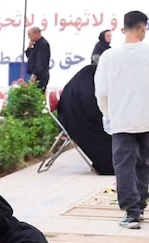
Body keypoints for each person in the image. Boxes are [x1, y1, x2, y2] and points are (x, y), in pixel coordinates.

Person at [95, 10, 149, 230]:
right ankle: (141, 205)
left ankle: (131, 213)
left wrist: (108, 114)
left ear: (123, 29)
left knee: (124, 167)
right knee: (144, 164)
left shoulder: (109, 57)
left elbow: (101, 92)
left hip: (121, 121)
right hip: (147, 119)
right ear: (143, 28)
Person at [58, 63, 114, 175]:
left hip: (72, 116)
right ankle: (109, 166)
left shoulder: (90, 76)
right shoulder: (90, 82)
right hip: (75, 120)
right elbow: (95, 111)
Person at [26, 26, 52, 91]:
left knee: (37, 95)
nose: (28, 37)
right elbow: (30, 56)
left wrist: (35, 74)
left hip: (40, 76)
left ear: (36, 34)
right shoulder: (36, 44)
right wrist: (29, 47)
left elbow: (40, 61)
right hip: (36, 75)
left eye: (30, 35)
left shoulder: (43, 44)